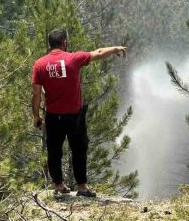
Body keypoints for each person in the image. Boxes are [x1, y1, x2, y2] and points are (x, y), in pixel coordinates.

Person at [31, 28, 126, 197]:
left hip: (53, 116)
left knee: (54, 151)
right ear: (64, 43)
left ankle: (59, 185)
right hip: (74, 116)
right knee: (79, 150)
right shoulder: (73, 58)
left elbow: (36, 93)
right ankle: (82, 187)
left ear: (50, 44)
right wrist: (115, 48)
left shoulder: (39, 64)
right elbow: (98, 52)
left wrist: (36, 116)